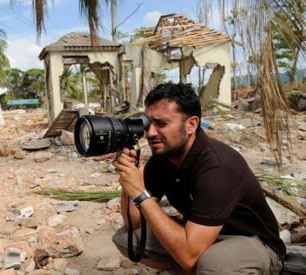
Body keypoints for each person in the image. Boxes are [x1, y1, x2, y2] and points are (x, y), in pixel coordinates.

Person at [112, 82, 285, 274]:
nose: (150, 133)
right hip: (203, 237)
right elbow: (134, 223)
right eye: (148, 123)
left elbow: (189, 256)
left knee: (213, 263)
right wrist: (129, 182)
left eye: (161, 123)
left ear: (191, 125)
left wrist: (140, 193)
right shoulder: (162, 160)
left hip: (255, 245)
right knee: (129, 238)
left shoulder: (218, 166)